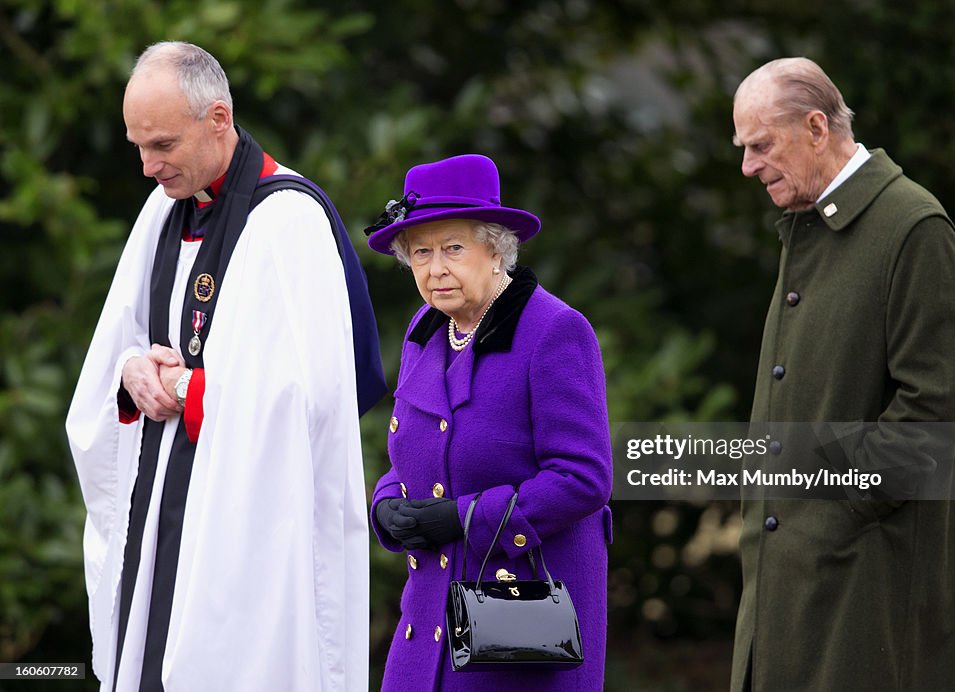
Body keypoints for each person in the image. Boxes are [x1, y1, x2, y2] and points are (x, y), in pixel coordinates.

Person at [65, 41, 385, 691]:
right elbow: (120, 348)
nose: (147, 167)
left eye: (161, 145)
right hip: (162, 511)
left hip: (252, 531)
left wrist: (185, 384)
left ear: (217, 120)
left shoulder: (288, 221)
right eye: (138, 146)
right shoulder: (162, 212)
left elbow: (306, 399)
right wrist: (133, 373)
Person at [729, 57, 955, 691]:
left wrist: (838, 507)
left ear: (816, 127)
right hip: (797, 585)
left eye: (761, 145)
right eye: (744, 148)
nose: (748, 166)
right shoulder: (809, 223)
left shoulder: (912, 226)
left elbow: (932, 411)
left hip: (867, 588)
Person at [364, 153, 613, 691]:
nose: (435, 269)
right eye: (421, 253)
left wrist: (465, 517)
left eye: (453, 248)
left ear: (496, 248)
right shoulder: (425, 330)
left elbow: (583, 477)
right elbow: (413, 453)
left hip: (520, 610)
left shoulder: (554, 331)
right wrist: (388, 504)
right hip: (427, 608)